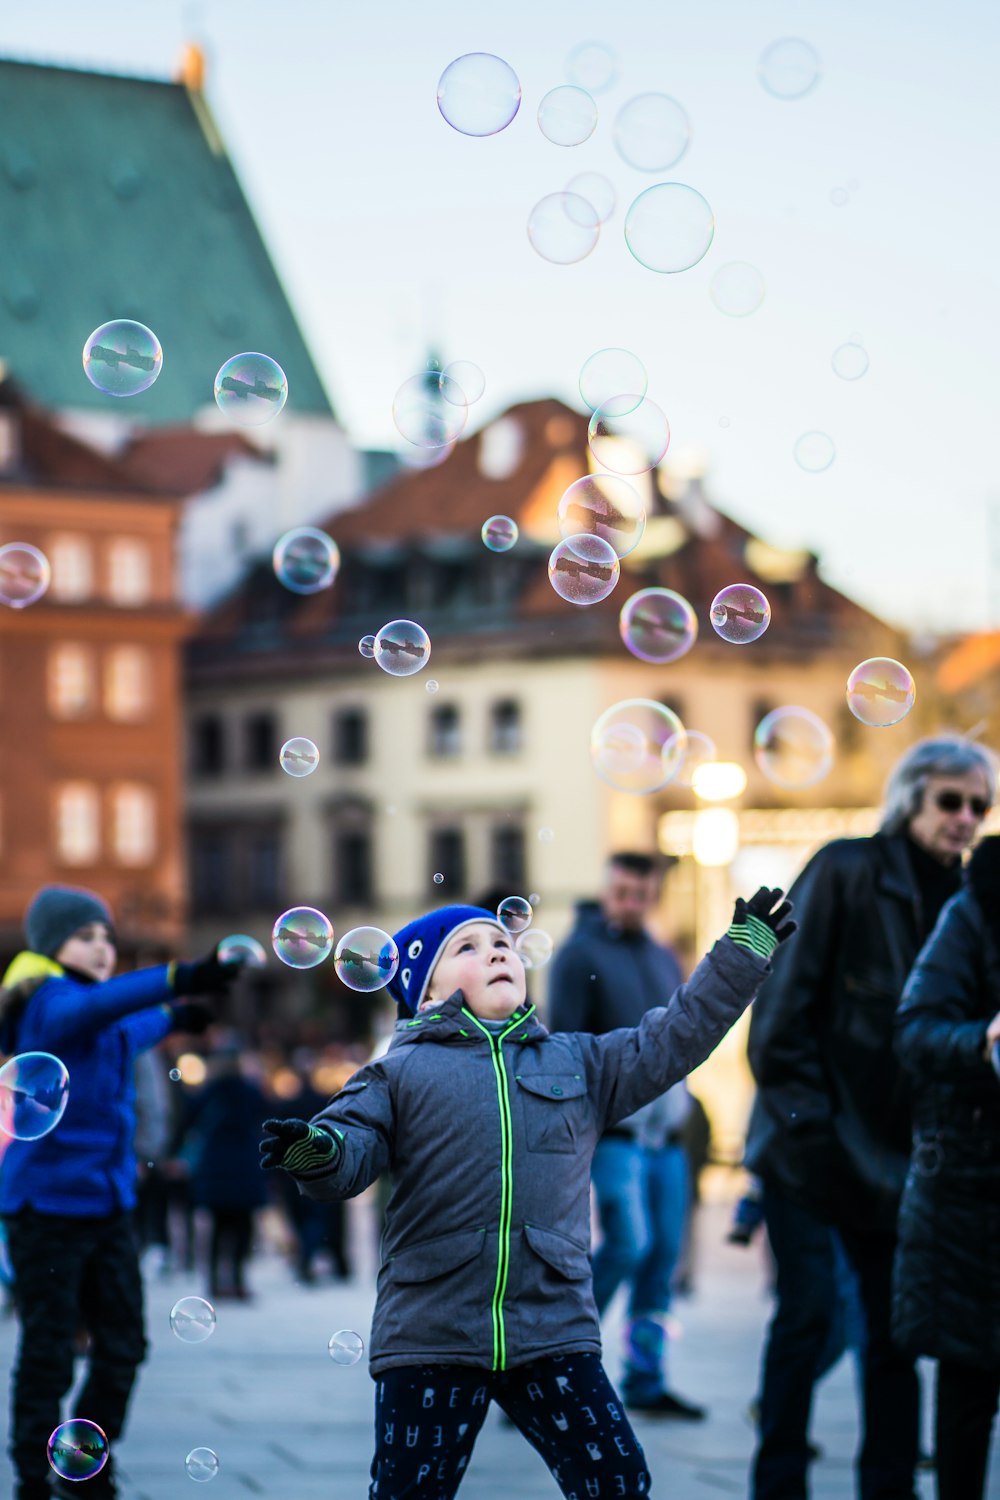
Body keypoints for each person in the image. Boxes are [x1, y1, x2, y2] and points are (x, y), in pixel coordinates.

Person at [260, 888, 795, 1500]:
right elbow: (349, 1147)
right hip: (434, 1329)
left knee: (618, 1482)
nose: (495, 952)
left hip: (552, 1324)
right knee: (410, 1493)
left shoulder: (577, 1062)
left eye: (502, 943)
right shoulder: (397, 1072)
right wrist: (316, 1150)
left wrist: (740, 955)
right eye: (467, 947)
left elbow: (673, 1037)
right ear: (426, 993)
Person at [744, 735, 997, 1500]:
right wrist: (812, 1129)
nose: (965, 819)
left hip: (899, 1157)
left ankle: (887, 1488)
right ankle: (778, 1482)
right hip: (808, 1146)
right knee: (806, 1319)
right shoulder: (846, 868)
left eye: (979, 806)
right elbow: (780, 1016)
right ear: (910, 799)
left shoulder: (969, 899)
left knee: (893, 1338)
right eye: (949, 801)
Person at [0, 884, 245, 1500]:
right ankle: (33, 1478)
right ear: (52, 944)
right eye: (86, 936)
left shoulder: (97, 1016)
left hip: (108, 1206)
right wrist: (182, 976)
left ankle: (82, 1468)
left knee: (124, 1345)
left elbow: (125, 1027)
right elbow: (96, 1010)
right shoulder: (45, 1001)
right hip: (45, 1207)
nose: (103, 947)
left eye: (107, 936)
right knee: (50, 1348)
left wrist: (175, 1018)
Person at [547, 852, 703, 1417]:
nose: (631, 902)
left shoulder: (661, 953)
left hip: (669, 1137)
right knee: (627, 1245)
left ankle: (645, 1379)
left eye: (641, 893)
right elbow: (563, 1047)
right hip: (615, 1135)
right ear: (606, 888)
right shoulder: (577, 954)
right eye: (622, 892)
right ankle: (552, 1370)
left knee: (661, 1257)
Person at [893, 832, 1000, 1500]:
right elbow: (915, 1028)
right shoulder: (979, 907)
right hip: (976, 1191)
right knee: (970, 1382)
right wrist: (983, 1042)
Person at [181, 1038, 270, 1301]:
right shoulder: (250, 1091)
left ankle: (216, 1282)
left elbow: (189, 1122)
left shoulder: (209, 1092)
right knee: (241, 1227)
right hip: (244, 1166)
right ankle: (237, 1279)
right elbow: (266, 1117)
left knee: (219, 1228)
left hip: (218, 1167)